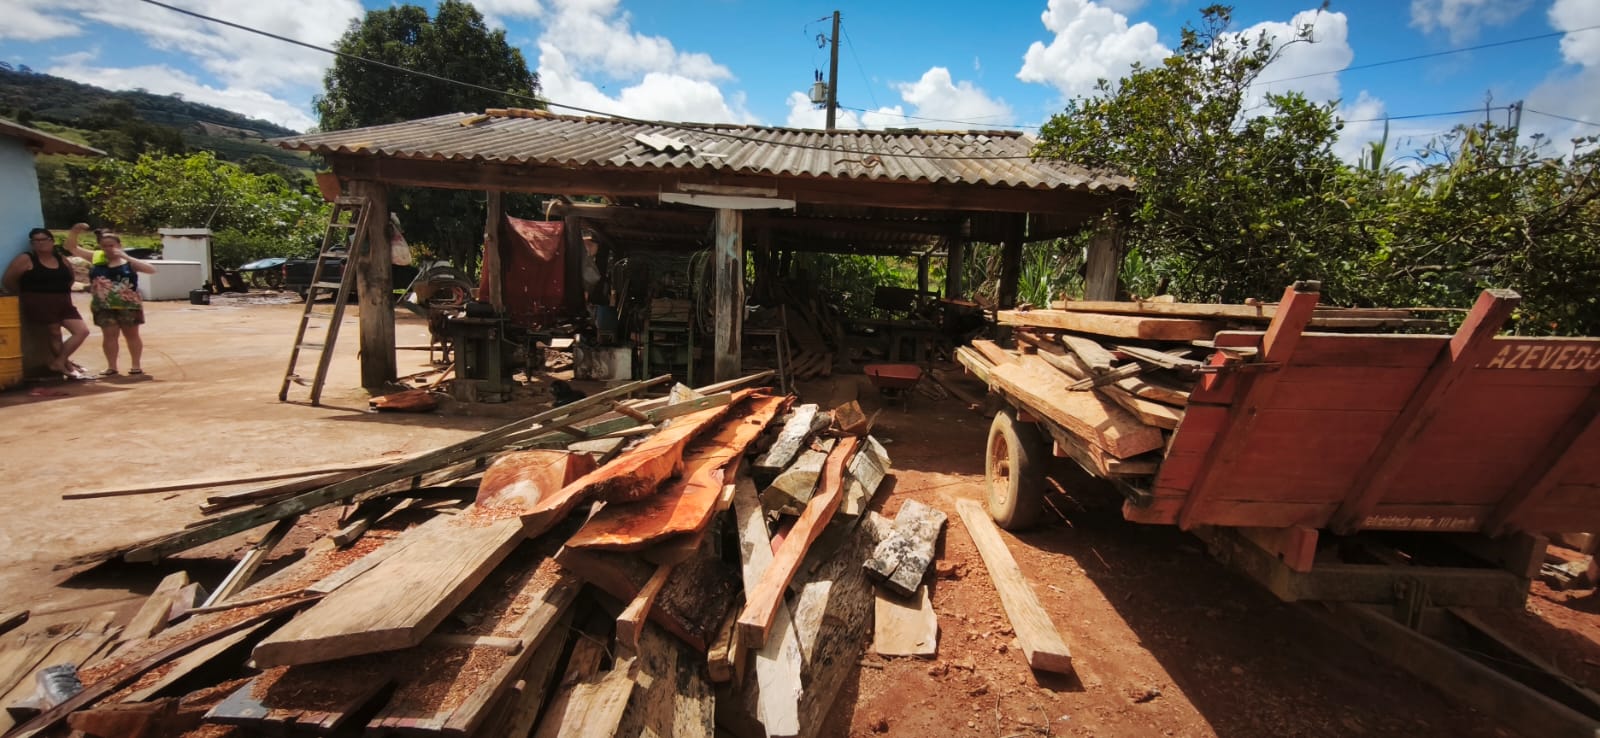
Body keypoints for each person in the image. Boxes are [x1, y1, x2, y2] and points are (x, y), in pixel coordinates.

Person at [2, 226, 91, 379]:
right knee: (54, 333)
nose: (40, 243)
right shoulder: (26, 259)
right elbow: (8, 280)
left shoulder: (60, 258)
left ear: (52, 241)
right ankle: (67, 366)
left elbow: (70, 278)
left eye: (44, 239)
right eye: (36, 241)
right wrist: (26, 295)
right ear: (32, 244)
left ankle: (60, 362)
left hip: (63, 301)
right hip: (39, 302)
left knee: (81, 331)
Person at [70, 227, 155, 376]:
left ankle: (136, 365)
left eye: (112, 245)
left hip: (128, 304)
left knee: (131, 335)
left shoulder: (128, 262)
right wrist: (75, 232)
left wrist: (126, 256)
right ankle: (112, 366)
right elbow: (71, 248)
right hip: (104, 305)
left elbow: (151, 269)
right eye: (105, 246)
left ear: (119, 245)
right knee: (109, 335)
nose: (109, 249)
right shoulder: (96, 258)